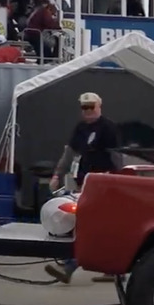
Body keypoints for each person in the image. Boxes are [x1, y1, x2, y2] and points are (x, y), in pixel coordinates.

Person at [44, 92, 122, 283]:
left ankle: (70, 265)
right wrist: (57, 175)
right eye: (84, 108)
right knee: (95, 225)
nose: (87, 111)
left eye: (91, 107)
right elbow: (69, 153)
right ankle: (109, 268)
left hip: (103, 183)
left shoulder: (108, 128)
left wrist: (118, 179)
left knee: (91, 224)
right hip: (85, 182)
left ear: (99, 106)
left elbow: (117, 157)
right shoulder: (80, 128)